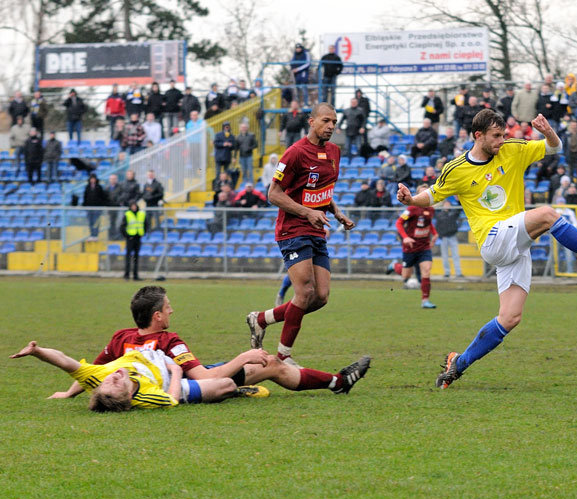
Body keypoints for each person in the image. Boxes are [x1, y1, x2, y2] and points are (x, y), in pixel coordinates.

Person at [397, 109, 577, 389]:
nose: (501, 141)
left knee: (510, 317)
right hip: (493, 239)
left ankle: (458, 364)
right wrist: (411, 198)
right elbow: (432, 195)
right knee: (547, 214)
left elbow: (554, 148)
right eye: (496, 136)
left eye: (504, 135)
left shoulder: (512, 150)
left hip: (515, 245)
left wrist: (548, 132)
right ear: (478, 136)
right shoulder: (457, 168)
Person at [51, 286, 371, 401]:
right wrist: (245, 354)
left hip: (193, 383)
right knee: (271, 364)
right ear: (158, 316)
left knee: (264, 365)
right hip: (196, 387)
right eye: (168, 307)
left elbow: (93, 369)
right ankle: (338, 383)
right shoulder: (169, 341)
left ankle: (335, 383)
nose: (172, 310)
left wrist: (70, 392)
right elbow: (204, 377)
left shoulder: (120, 338)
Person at [246, 103, 355, 367]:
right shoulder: (294, 153)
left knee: (321, 297)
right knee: (304, 292)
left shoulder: (334, 152)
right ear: (311, 121)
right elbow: (273, 194)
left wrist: (337, 212)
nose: (331, 126)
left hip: (317, 229)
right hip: (292, 230)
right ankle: (283, 357)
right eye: (326, 121)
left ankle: (262, 319)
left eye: (334, 122)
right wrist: (306, 212)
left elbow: (323, 189)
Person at [11, 341, 244, 411]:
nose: (113, 376)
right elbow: (171, 400)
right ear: (129, 394)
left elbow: (64, 360)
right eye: (117, 383)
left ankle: (238, 369)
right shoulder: (146, 396)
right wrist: (175, 371)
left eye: (108, 381)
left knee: (252, 370)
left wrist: (37, 352)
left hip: (164, 362)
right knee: (227, 384)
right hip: (173, 380)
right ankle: (241, 389)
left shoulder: (100, 376)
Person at [395, 183, 438, 308]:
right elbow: (399, 223)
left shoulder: (431, 209)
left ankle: (425, 301)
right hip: (411, 246)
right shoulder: (411, 208)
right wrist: (406, 237)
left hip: (424, 246)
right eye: (422, 193)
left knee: (426, 271)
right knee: (406, 275)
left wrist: (434, 234)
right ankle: (394, 266)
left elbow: (428, 224)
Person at [435, 199, 462, 278]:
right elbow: (437, 226)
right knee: (445, 256)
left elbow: (459, 210)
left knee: (456, 255)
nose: (447, 206)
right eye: (446, 204)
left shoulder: (453, 213)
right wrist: (440, 236)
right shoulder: (439, 215)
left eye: (448, 204)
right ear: (443, 206)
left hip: (452, 237)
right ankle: (447, 273)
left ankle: (458, 273)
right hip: (444, 238)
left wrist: (458, 201)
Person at [121, 201, 145, 280]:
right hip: (130, 239)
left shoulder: (141, 214)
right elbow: (122, 227)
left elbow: (146, 225)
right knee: (128, 257)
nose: (134, 207)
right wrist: (127, 236)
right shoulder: (127, 214)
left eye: (135, 206)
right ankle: (127, 275)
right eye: (132, 206)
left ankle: (135, 276)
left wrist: (142, 234)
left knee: (136, 258)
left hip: (138, 238)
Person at [83, 173, 107, 241]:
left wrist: (100, 205)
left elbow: (102, 197)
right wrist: (85, 205)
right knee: (90, 222)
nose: (92, 180)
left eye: (94, 178)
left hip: (97, 208)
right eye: (91, 179)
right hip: (89, 208)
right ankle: (92, 235)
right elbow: (85, 197)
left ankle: (95, 235)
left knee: (96, 222)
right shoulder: (87, 187)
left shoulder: (99, 187)